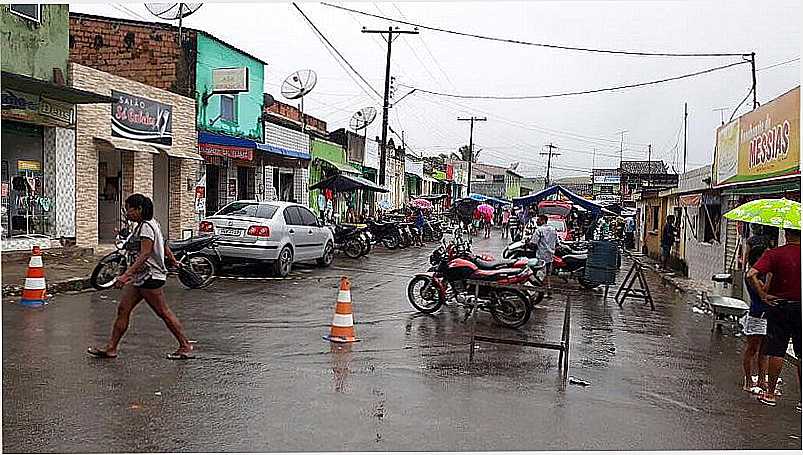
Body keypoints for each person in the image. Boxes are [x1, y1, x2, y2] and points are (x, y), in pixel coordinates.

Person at [88, 194, 194, 360]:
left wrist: (125, 275)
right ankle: (111, 348)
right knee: (123, 309)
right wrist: (173, 261)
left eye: (129, 208)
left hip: (150, 277)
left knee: (163, 312)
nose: (127, 212)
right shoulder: (149, 224)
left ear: (139, 209)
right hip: (141, 277)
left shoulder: (146, 227)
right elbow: (163, 244)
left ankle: (185, 345)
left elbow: (145, 253)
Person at [747, 227, 800, 409]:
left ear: (786, 233)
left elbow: (750, 274)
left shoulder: (775, 254)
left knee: (777, 350)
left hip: (780, 307)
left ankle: (770, 394)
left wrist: (762, 294)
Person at [741, 224, 773, 395]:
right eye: (764, 257)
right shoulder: (751, 276)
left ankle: (762, 380)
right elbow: (763, 294)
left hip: (767, 317)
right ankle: (747, 380)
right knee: (752, 349)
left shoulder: (759, 274)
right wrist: (770, 277)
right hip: (756, 316)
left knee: (765, 351)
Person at [530, 214, 558, 298]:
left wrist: (529, 243)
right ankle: (548, 289)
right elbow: (557, 242)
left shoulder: (539, 230)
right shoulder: (553, 230)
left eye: (538, 220)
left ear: (542, 220)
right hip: (550, 255)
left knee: (540, 274)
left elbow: (533, 242)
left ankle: (538, 292)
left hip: (541, 255)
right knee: (548, 274)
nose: (537, 221)